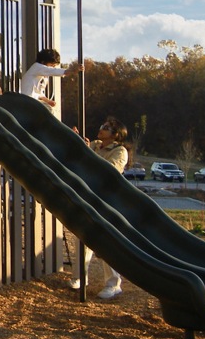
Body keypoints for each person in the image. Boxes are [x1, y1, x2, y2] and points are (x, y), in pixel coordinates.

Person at [71, 117, 131, 299]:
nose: (101, 129)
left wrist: (88, 152)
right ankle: (79, 277)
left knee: (106, 241)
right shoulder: (95, 145)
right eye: (102, 126)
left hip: (107, 200)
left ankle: (113, 284)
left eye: (106, 128)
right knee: (81, 238)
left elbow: (107, 171)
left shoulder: (120, 151)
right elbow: (79, 161)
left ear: (116, 135)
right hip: (89, 197)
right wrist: (76, 142)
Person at [20, 48, 68, 115]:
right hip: (28, 101)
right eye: (51, 65)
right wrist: (70, 70)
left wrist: (48, 101)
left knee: (49, 109)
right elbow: (53, 71)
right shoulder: (37, 67)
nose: (52, 68)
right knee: (48, 110)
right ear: (43, 62)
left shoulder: (40, 73)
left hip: (31, 100)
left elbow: (38, 93)